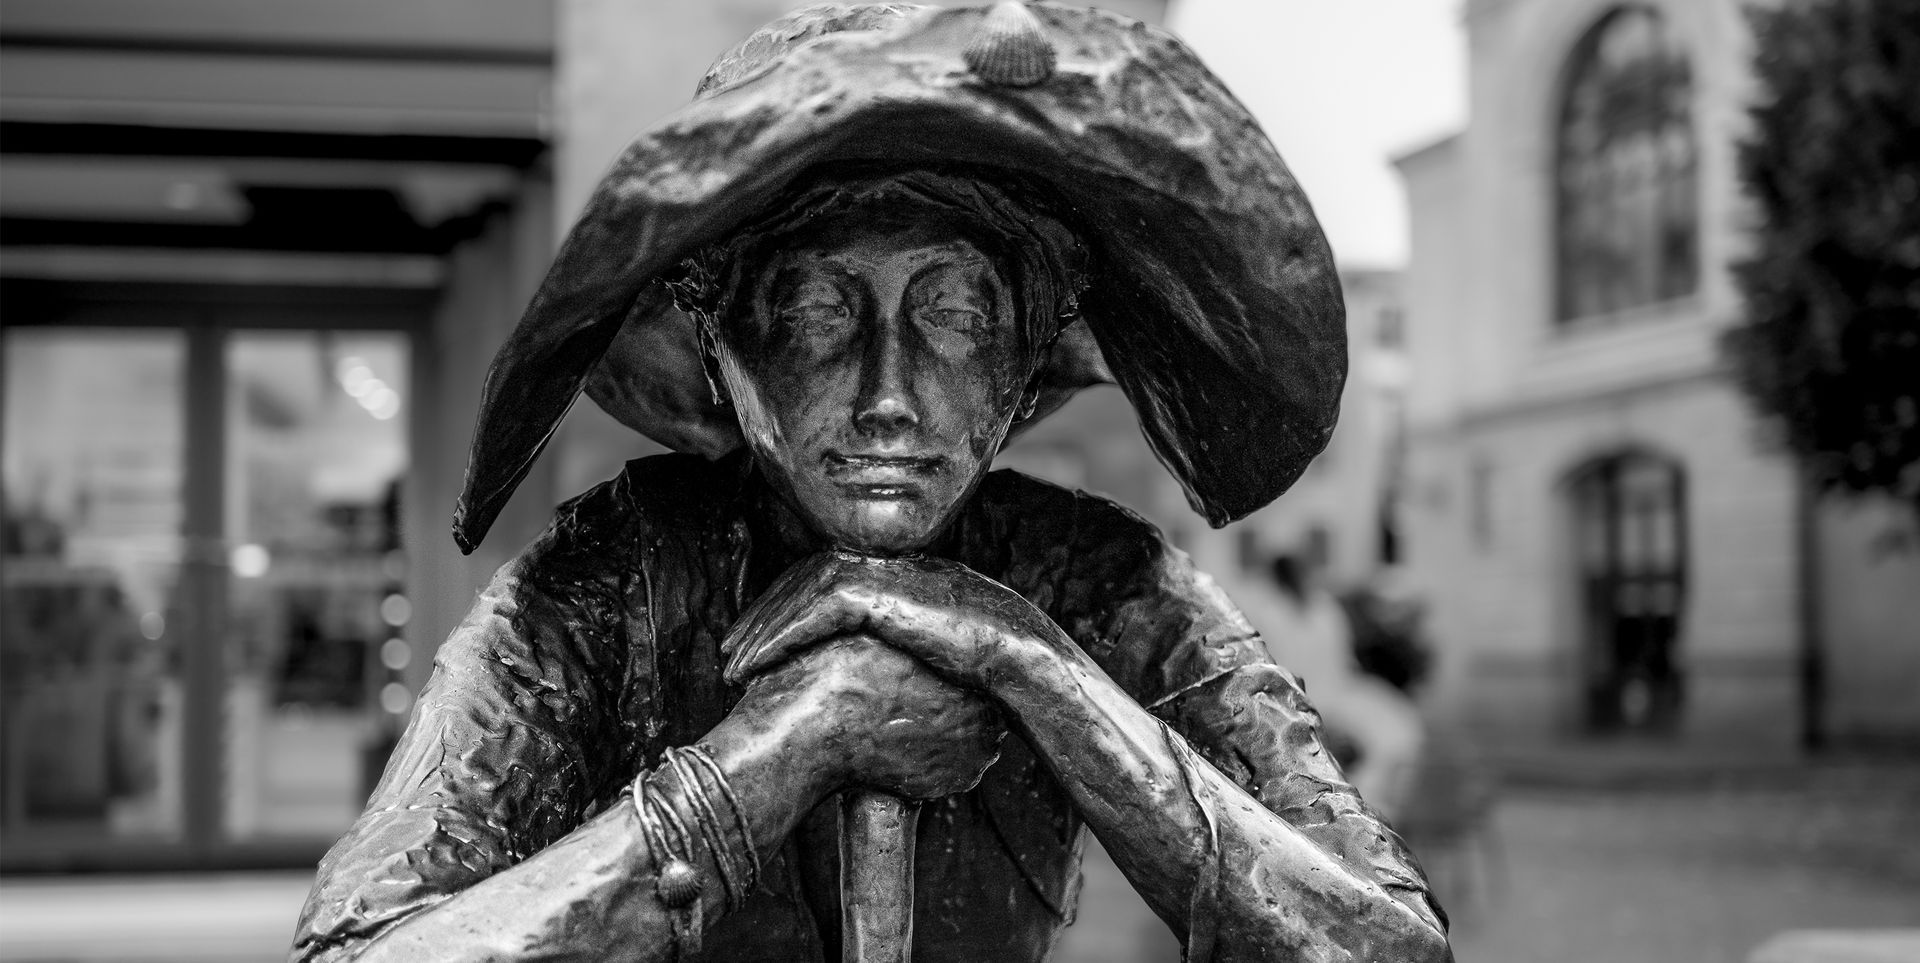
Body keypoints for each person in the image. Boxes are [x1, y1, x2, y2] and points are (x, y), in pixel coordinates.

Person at [291, 5, 1451, 961]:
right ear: (721, 340)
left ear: (1026, 355)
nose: (889, 392)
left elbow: (1387, 941)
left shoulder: (1101, 582)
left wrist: (1034, 667)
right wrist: (789, 746)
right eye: (815, 309)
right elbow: (357, 949)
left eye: (954, 314)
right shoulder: (608, 583)